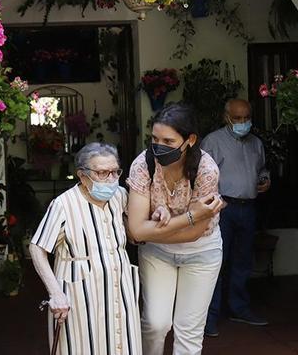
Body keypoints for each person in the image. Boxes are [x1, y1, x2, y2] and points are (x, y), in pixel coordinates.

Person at [126, 103, 225, 355]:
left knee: (189, 330)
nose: (160, 146)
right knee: (155, 324)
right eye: (155, 139)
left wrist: (155, 226)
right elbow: (135, 230)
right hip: (157, 253)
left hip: (201, 252)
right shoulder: (143, 164)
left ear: (189, 140)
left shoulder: (206, 169)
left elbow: (194, 234)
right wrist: (192, 215)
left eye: (169, 141)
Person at [29, 142, 142, 355]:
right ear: (82, 175)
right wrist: (55, 293)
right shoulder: (63, 204)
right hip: (80, 295)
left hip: (120, 290)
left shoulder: (120, 195)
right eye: (101, 173)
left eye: (114, 172)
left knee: (123, 345)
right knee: (83, 346)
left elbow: (136, 224)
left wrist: (158, 214)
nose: (110, 179)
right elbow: (37, 248)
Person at [202, 98, 270, 337]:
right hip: (223, 208)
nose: (243, 123)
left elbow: (261, 169)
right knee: (215, 262)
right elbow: (201, 177)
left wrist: (264, 179)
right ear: (227, 118)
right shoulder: (212, 142)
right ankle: (208, 317)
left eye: (246, 118)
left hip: (248, 207)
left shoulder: (256, 143)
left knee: (242, 262)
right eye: (238, 118)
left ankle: (238, 309)